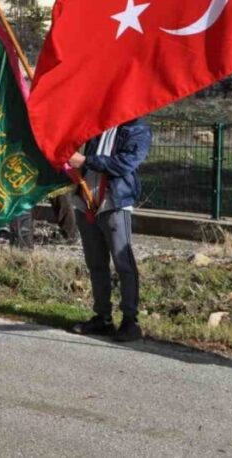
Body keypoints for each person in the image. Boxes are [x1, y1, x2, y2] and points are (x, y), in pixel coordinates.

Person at [67, 119, 152, 343]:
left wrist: (85, 160)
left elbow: (125, 164)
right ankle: (102, 317)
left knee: (123, 264)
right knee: (96, 263)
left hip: (114, 202)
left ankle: (130, 321)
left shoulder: (137, 129)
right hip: (87, 201)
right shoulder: (97, 126)